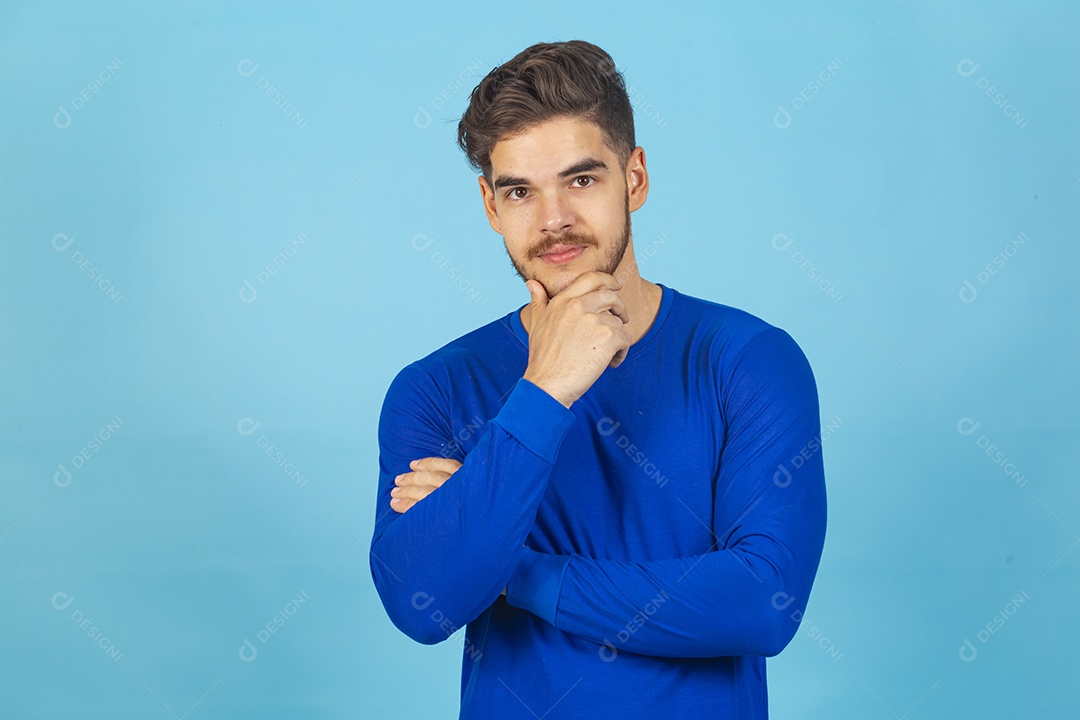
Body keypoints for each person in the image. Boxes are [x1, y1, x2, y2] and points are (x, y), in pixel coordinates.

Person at [370, 39, 827, 719]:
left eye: (581, 179)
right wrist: (544, 390)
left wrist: (512, 570)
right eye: (520, 190)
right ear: (491, 206)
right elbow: (420, 602)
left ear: (634, 179)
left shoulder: (749, 360)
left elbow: (764, 602)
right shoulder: (435, 388)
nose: (553, 219)